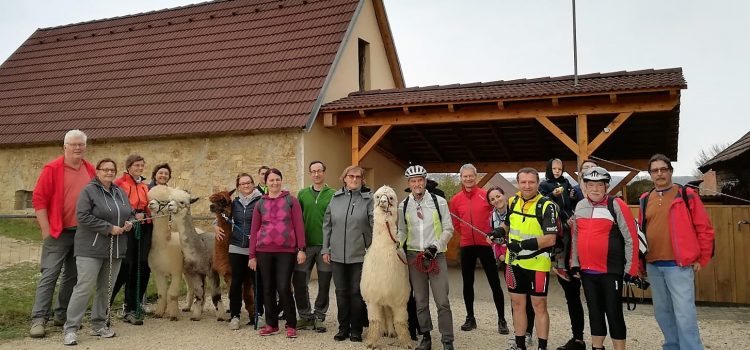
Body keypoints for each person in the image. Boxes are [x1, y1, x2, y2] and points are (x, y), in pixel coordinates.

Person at [638, 154, 714, 350]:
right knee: (662, 313)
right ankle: (672, 346)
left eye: (663, 169)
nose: (659, 174)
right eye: (655, 171)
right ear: (650, 175)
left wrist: (702, 258)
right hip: (653, 265)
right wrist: (640, 264)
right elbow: (641, 234)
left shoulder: (687, 195)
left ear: (670, 171)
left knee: (684, 313)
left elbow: (704, 228)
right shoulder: (645, 199)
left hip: (679, 266)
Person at [29, 129, 96, 338]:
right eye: (73, 144)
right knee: (49, 274)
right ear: (65, 146)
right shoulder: (53, 169)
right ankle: (39, 319)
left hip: (82, 233)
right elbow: (39, 200)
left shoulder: (90, 169)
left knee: (73, 276)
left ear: (85, 147)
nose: (78, 148)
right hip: (58, 232)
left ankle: (62, 315)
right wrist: (46, 231)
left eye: (81, 144)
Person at [63, 158, 133, 346]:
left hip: (116, 248)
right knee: (84, 287)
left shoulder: (119, 191)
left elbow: (129, 212)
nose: (109, 172)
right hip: (91, 248)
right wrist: (108, 228)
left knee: (105, 289)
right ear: (98, 171)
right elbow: (83, 217)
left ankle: (99, 324)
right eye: (106, 169)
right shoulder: (89, 191)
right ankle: (71, 328)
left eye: (112, 169)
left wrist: (129, 222)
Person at [570, 167, 640, 350]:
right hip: (587, 272)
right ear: (584, 186)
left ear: (606, 186)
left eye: (599, 185)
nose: (594, 189)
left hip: (610, 271)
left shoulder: (616, 205)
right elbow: (575, 236)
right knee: (594, 313)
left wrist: (631, 269)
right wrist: (575, 264)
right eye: (590, 185)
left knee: (614, 313)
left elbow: (631, 237)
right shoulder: (580, 206)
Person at [490, 167, 558, 350]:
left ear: (538, 183)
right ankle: (520, 344)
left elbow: (551, 238)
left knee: (539, 305)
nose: (527, 186)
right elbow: (508, 223)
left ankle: (542, 346)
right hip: (514, 263)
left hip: (537, 263)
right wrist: (499, 230)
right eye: (523, 182)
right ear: (517, 183)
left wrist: (522, 245)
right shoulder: (512, 201)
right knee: (517, 304)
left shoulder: (547, 205)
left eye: (531, 182)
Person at [397, 165, 455, 350]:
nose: (417, 184)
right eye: (413, 181)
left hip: (436, 255)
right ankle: (426, 337)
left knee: (442, 301)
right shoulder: (403, 205)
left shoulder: (439, 202)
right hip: (415, 257)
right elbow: (402, 231)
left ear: (425, 181)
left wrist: (436, 246)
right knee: (420, 301)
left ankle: (447, 340)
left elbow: (448, 228)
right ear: (409, 184)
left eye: (420, 180)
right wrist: (396, 244)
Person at [448, 163, 508, 334]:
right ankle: (470, 318)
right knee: (468, 283)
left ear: (475, 177)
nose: (468, 179)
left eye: (471, 176)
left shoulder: (485, 196)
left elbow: (496, 215)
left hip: (486, 244)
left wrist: (492, 235)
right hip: (467, 245)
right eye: (465, 176)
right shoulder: (455, 200)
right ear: (461, 178)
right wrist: (466, 234)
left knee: (494, 282)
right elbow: (456, 222)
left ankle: (502, 320)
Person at [248, 168, 306, 338]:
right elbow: (255, 229)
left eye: (277, 179)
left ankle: (290, 324)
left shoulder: (291, 200)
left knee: (283, 287)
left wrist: (301, 249)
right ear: (266, 183)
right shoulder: (260, 203)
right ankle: (271, 324)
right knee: (267, 289)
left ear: (281, 180)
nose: (275, 183)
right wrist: (252, 255)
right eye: (271, 180)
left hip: (286, 251)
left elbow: (299, 226)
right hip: (263, 251)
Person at [322, 165, 373, 343]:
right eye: (350, 176)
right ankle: (343, 328)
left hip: (359, 255)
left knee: (356, 293)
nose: (354, 179)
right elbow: (327, 225)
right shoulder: (335, 199)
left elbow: (375, 226)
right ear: (344, 178)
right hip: (336, 255)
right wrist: (325, 248)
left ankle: (356, 329)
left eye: (358, 177)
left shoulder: (369, 199)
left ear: (362, 179)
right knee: (341, 292)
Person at [539, 158, 585, 350]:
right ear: (549, 169)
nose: (557, 171)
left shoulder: (567, 183)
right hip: (557, 224)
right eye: (554, 168)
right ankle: (562, 266)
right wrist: (552, 193)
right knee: (562, 242)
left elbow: (575, 200)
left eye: (560, 168)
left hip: (571, 220)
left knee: (570, 239)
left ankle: (579, 338)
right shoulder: (544, 185)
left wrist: (573, 193)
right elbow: (542, 202)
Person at [487, 187, 535, 348]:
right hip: (508, 260)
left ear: (505, 195)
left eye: (498, 196)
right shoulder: (492, 218)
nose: (496, 200)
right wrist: (500, 255)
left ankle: (528, 332)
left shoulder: (516, 208)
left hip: (526, 258)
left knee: (529, 299)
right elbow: (495, 240)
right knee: (516, 300)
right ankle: (518, 333)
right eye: (492, 199)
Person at [110, 155, 152, 325]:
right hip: (127, 227)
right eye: (136, 165)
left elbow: (149, 205)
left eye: (142, 165)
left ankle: (132, 307)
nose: (140, 168)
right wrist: (133, 214)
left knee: (142, 265)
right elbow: (118, 204)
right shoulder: (121, 183)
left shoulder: (144, 186)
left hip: (144, 227)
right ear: (129, 166)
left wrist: (149, 214)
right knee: (125, 266)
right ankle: (105, 306)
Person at [293, 161, 335, 332]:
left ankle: (319, 316)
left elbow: (335, 222)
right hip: (305, 247)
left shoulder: (333, 194)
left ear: (324, 173)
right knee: (300, 282)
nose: (316, 174)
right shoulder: (302, 194)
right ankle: (305, 316)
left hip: (326, 247)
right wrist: (299, 247)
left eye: (319, 171)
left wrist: (330, 247)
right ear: (310, 174)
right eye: (313, 171)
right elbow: (296, 221)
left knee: (324, 283)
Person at [218, 173, 262, 330]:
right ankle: (235, 315)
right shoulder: (234, 203)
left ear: (253, 184)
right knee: (236, 282)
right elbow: (220, 216)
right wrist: (215, 226)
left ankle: (259, 313)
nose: (246, 185)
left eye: (249, 182)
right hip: (236, 246)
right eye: (243, 183)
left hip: (255, 248)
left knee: (257, 282)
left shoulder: (261, 200)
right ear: (238, 186)